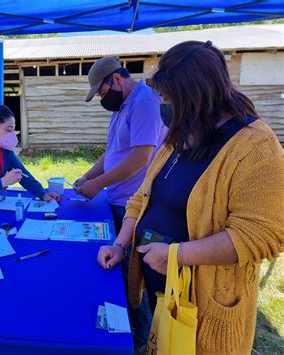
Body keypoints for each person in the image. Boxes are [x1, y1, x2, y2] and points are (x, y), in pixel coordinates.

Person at [98, 40, 284, 354]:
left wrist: (177, 255)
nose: (165, 109)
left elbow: (261, 236)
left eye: (170, 99)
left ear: (196, 96)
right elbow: (142, 198)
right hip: (163, 292)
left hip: (205, 309)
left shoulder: (255, 147)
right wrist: (120, 244)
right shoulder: (181, 134)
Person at [76, 56, 167, 350]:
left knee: (132, 277)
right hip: (117, 201)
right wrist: (87, 177)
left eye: (102, 93)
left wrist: (96, 185)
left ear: (116, 79)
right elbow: (113, 152)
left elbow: (141, 157)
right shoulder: (124, 105)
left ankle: (140, 341)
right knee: (118, 270)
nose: (103, 99)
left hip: (134, 205)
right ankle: (130, 331)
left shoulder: (144, 103)